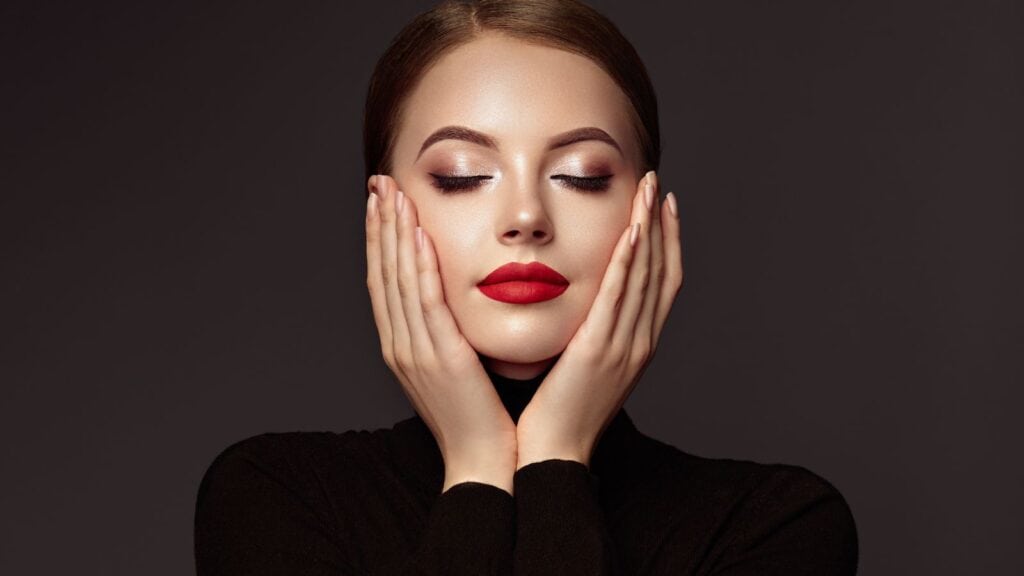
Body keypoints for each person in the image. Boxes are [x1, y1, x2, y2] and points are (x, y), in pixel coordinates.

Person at [193, 1, 859, 574]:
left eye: (582, 175)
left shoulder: (776, 527)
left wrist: (556, 458)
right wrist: (480, 461)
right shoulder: (272, 497)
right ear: (382, 210)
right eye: (461, 175)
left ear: (649, 213)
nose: (526, 219)